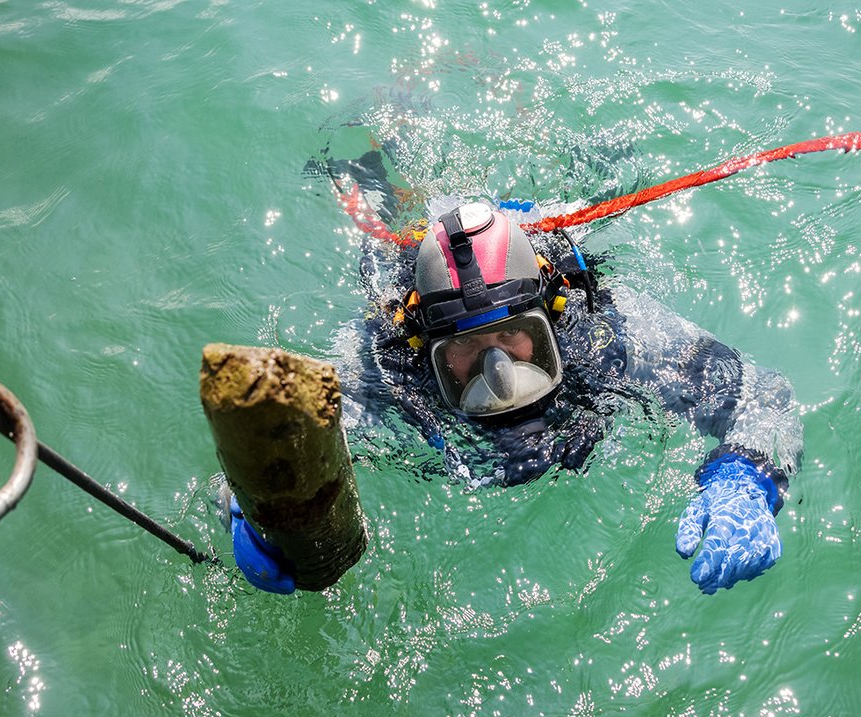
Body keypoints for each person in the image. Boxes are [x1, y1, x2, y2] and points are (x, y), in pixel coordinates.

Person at [230, 154, 803, 597]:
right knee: (390, 219)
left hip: (530, 225)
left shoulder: (605, 330)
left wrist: (746, 477)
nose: (497, 367)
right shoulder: (386, 364)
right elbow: (284, 437)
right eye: (468, 348)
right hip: (411, 261)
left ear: (549, 318)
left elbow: (761, 396)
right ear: (426, 348)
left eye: (512, 335)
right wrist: (257, 513)